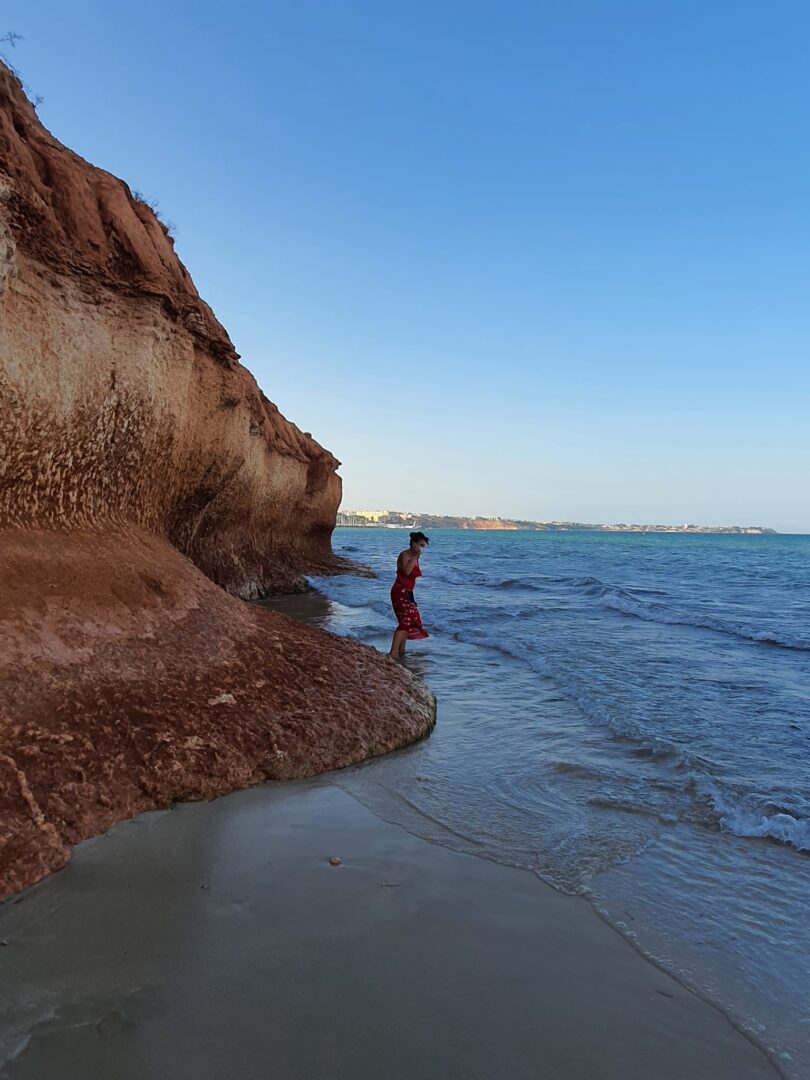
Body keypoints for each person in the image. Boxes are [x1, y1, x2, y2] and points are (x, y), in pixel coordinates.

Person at [388, 531, 430, 658]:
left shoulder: (415, 557)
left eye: (424, 546)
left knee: (409, 620)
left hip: (409, 592)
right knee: (405, 621)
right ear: (414, 544)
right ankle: (393, 651)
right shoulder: (405, 555)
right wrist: (415, 557)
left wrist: (416, 557)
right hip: (400, 590)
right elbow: (406, 571)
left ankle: (401, 650)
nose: (422, 548)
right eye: (421, 545)